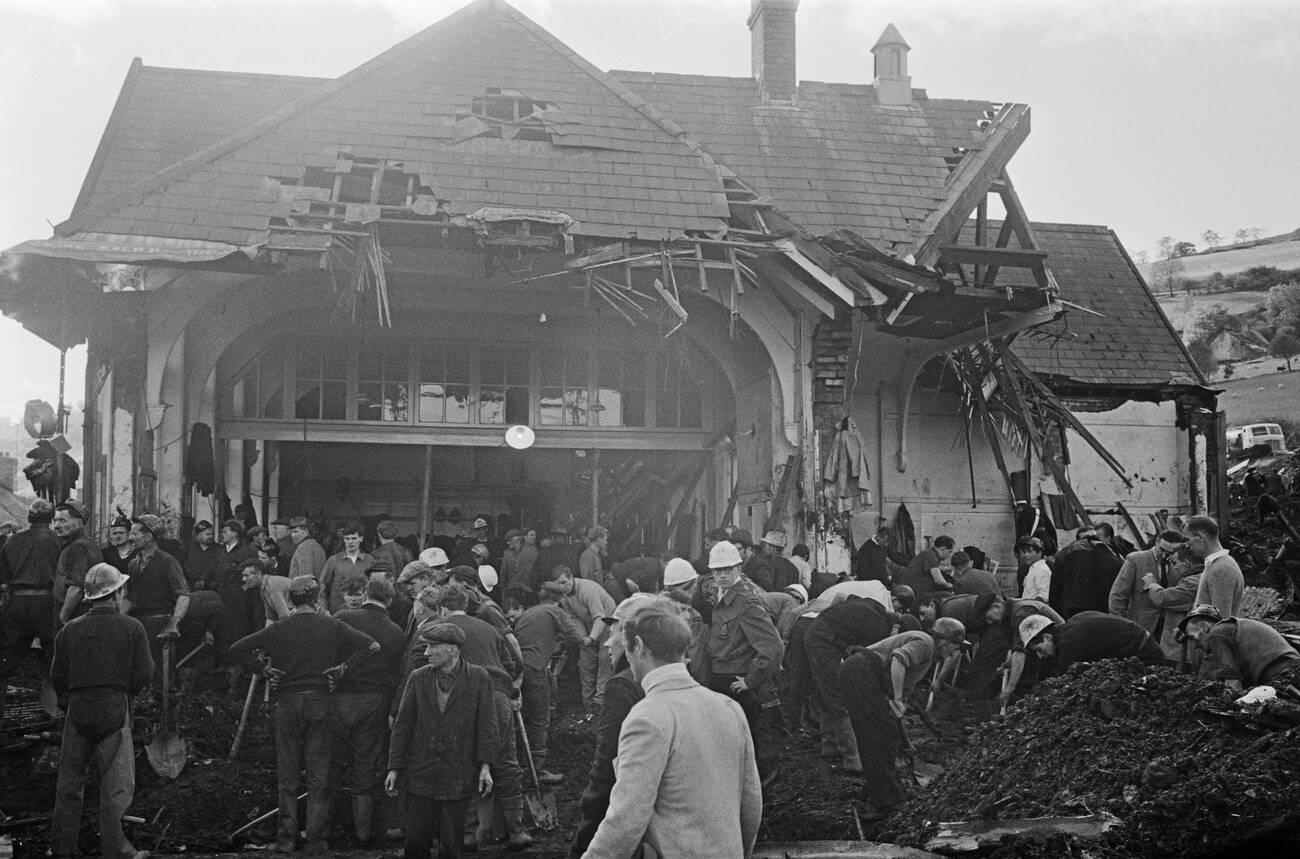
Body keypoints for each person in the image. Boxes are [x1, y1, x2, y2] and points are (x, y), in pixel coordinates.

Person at [579, 598, 761, 859]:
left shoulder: (647, 717)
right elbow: (751, 805)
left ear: (639, 646)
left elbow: (626, 820)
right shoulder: (728, 707)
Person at [228, 575, 379, 853]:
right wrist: (342, 669)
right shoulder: (331, 625)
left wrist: (263, 670)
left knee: (287, 776)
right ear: (316, 598)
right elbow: (371, 645)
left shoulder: (280, 628)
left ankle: (286, 840)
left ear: (290, 600)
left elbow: (237, 649)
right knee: (319, 776)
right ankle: (316, 840)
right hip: (321, 703)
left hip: (287, 703)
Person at [49, 563, 154, 859]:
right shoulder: (132, 627)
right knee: (116, 786)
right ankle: (116, 850)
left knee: (69, 784)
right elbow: (144, 672)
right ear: (117, 591)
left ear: (88, 596)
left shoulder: (70, 630)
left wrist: (67, 700)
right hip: (113, 705)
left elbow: (58, 674)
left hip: (79, 708)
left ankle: (62, 849)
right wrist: (126, 694)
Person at [426, 580, 529, 851]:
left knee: (464, 762)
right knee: (507, 762)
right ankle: (517, 830)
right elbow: (513, 664)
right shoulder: (489, 628)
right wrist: (513, 691)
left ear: (442, 608)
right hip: (499, 697)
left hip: (467, 699)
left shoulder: (443, 633)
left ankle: (468, 833)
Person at [386, 622, 498, 859]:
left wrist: (486, 766)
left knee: (451, 846)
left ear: (453, 650)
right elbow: (402, 726)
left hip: (458, 773)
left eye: (433, 647)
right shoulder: (418, 678)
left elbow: (487, 725)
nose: (426, 653)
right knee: (416, 844)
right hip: (421, 774)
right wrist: (394, 767)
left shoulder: (479, 678)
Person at [839, 617, 967, 819]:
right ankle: (886, 800)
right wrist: (897, 698)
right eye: (954, 647)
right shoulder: (925, 643)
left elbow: (900, 677)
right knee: (877, 736)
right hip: (862, 672)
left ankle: (880, 791)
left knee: (885, 734)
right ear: (946, 641)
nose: (953, 653)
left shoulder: (929, 653)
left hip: (866, 676)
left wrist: (899, 701)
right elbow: (898, 659)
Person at [567, 594, 653, 859]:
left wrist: (587, 828)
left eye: (614, 631)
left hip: (624, 808)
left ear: (631, 638)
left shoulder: (621, 686)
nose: (607, 641)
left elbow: (607, 761)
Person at [701, 540, 784, 782]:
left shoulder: (746, 603)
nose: (723, 575)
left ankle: (753, 788)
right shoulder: (720, 596)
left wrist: (751, 680)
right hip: (719, 678)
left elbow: (772, 646)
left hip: (734, 681)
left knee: (743, 744)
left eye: (728, 570)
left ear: (739, 568)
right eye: (718, 571)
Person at [333, 576, 406, 846]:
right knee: (365, 766)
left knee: (332, 763)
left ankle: (325, 830)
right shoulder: (396, 631)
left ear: (365, 594)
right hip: (375, 702)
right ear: (389, 600)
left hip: (340, 699)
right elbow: (396, 671)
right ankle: (363, 834)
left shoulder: (343, 617)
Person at [799, 596, 894, 772]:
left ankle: (830, 745)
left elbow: (846, 599)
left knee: (827, 690)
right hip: (823, 639)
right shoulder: (878, 629)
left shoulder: (877, 608)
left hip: (823, 632)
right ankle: (854, 759)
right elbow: (864, 662)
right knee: (838, 697)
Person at [512, 580, 585, 784]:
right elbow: (577, 635)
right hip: (535, 669)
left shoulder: (528, 613)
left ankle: (519, 766)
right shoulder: (555, 612)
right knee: (540, 719)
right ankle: (537, 770)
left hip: (518, 669)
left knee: (524, 719)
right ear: (560, 599)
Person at [0, 500, 62, 719]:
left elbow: (4, 579)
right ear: (51, 518)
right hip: (46, 603)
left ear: (29, 517)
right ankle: (57, 715)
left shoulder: (12, 541)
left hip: (16, 603)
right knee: (55, 659)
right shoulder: (58, 541)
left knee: (5, 662)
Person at [1180, 604, 1300, 692]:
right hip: (1290, 669)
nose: (1196, 645)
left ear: (1204, 627)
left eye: (1192, 637)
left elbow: (1232, 680)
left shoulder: (1216, 634)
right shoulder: (1232, 630)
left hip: (1282, 672)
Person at [125, 514, 191, 672]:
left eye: (134, 534)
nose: (130, 538)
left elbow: (183, 595)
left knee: (160, 670)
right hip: (138, 623)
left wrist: (174, 623)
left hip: (159, 623)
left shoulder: (168, 562)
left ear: (148, 537)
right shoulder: (133, 564)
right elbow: (129, 597)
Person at [1019, 610, 1163, 677]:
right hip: (1141, 645)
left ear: (1047, 637)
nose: (1040, 655)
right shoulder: (1072, 625)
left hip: (1145, 654)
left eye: (1039, 649)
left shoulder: (1070, 642)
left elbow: (1061, 675)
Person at [553, 564, 617, 710]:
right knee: (586, 665)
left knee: (604, 661)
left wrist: (592, 638)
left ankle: (600, 702)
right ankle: (587, 703)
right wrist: (582, 637)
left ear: (571, 577)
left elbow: (600, 617)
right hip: (588, 624)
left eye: (564, 582)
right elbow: (573, 617)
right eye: (559, 585)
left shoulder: (588, 590)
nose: (563, 587)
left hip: (607, 623)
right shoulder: (564, 596)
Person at [1108, 530, 1190, 639]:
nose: (1164, 555)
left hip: (1166, 628)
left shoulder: (1178, 564)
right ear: (1156, 542)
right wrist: (1120, 624)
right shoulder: (1136, 560)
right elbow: (1118, 594)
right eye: (1162, 549)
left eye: (1171, 552)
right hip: (1140, 625)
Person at [1139, 545, 1202, 663]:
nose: (1174, 567)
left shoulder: (1192, 582)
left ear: (1187, 563)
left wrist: (1151, 584)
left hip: (1179, 648)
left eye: (1174, 562)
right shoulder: (1197, 578)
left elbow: (1162, 598)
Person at [1183, 516, 1244, 618]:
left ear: (1200, 538)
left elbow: (1221, 621)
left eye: (1188, 539)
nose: (1187, 545)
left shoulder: (1222, 570)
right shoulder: (1215, 565)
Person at [213, 519, 257, 638]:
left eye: (225, 532)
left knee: (237, 627)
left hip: (239, 596)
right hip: (220, 594)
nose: (222, 534)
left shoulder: (247, 551)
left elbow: (253, 572)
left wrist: (243, 588)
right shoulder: (219, 551)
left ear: (235, 533)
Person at [320, 524, 373, 615]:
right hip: (337, 611)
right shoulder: (333, 560)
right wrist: (324, 609)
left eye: (353, 538)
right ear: (343, 540)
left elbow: (375, 587)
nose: (350, 542)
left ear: (361, 539)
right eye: (347, 539)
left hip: (363, 612)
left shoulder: (370, 561)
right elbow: (323, 586)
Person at [240, 560, 292, 626]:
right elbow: (270, 618)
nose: (243, 579)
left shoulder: (271, 586)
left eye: (247, 575)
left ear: (258, 574)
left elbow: (285, 617)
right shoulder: (264, 588)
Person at [184, 520, 220, 590]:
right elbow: (182, 565)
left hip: (210, 589)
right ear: (198, 535)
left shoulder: (218, 549)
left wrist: (205, 581)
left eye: (212, 534)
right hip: (190, 587)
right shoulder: (188, 548)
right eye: (207, 534)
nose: (211, 536)